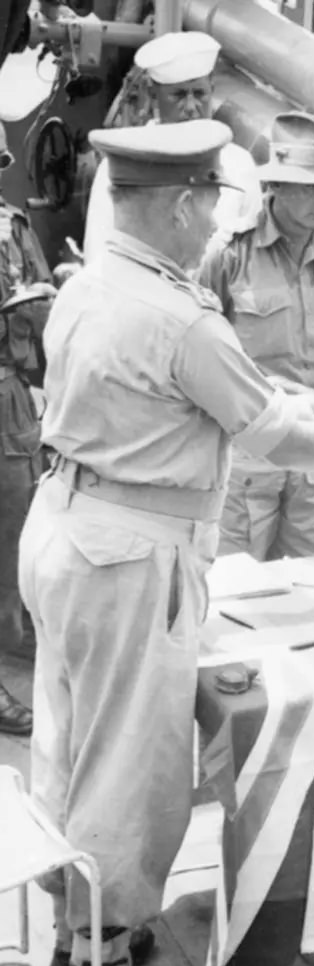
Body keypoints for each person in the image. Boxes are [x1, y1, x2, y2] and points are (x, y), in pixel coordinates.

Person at [20, 119, 314, 966]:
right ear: (178, 202)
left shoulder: (97, 284)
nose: (214, 217)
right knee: (132, 767)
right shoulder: (178, 313)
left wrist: (299, 391)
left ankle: (74, 916)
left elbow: (216, 383)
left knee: (72, 739)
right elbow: (270, 435)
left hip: (69, 527)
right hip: (131, 557)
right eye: (209, 198)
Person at [196, 111, 314, 561]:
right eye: (312, 187)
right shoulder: (229, 255)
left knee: (307, 584)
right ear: (277, 186)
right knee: (237, 587)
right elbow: (201, 354)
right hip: (249, 452)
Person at [82, 30, 261, 264]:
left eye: (199, 94)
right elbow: (98, 253)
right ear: (154, 97)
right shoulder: (123, 163)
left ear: (212, 91)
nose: (190, 106)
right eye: (178, 95)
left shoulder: (239, 164)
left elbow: (253, 256)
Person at [0, 120, 54, 734]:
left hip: (8, 399)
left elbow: (42, 309)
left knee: (11, 538)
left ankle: (8, 641)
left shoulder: (13, 227)